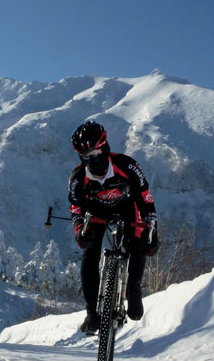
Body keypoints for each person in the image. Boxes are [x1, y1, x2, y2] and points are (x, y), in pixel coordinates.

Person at [68, 120, 159, 335]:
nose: (92, 159)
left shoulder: (128, 166)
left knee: (138, 240)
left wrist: (151, 226)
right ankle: (92, 313)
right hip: (96, 211)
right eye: (85, 156)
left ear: (105, 147)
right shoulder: (78, 178)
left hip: (128, 207)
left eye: (96, 152)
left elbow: (145, 198)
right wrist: (79, 227)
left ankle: (133, 289)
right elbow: (76, 206)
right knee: (89, 252)